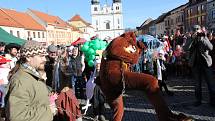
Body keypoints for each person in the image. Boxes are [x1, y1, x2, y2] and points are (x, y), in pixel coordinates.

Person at [5, 40, 53, 121]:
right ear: (28, 57)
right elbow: (17, 117)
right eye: (41, 56)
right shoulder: (20, 80)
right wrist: (48, 111)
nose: (45, 59)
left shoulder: (32, 75)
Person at [188, 25, 215, 107]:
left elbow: (211, 47)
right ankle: (198, 100)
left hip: (206, 64)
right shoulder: (191, 39)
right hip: (195, 64)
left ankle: (213, 101)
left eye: (197, 29)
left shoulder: (204, 37)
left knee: (210, 83)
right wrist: (192, 39)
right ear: (192, 31)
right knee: (197, 84)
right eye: (194, 29)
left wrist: (203, 38)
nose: (196, 31)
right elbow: (185, 48)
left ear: (200, 30)